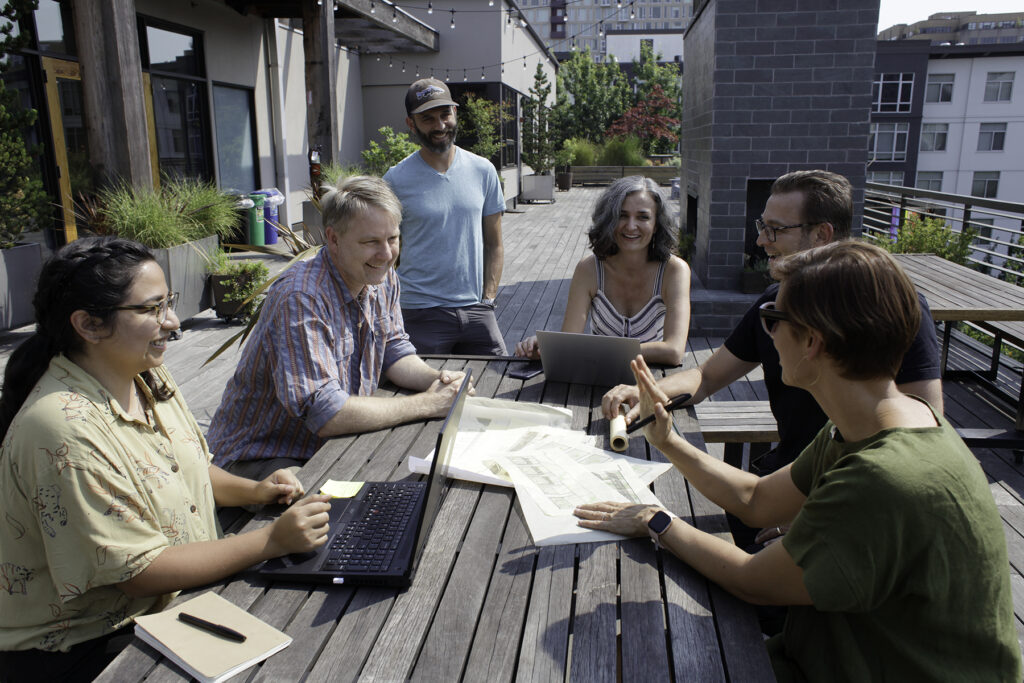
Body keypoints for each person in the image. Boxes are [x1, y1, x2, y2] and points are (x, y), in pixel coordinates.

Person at [576, 242, 1021, 681]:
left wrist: (656, 520)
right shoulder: (876, 423)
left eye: (772, 320)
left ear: (812, 342)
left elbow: (753, 580)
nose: (766, 333)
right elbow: (756, 498)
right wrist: (670, 440)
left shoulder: (884, 478)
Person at [0, 238, 331, 682]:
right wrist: (271, 542)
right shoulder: (61, 428)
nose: (173, 322)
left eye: (168, 303)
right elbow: (135, 572)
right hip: (84, 644)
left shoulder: (145, 374)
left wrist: (254, 490)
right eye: (152, 309)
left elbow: (183, 467)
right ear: (89, 325)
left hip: (170, 603)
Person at [602, 170, 942, 479]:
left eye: (774, 229)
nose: (761, 241)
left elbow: (921, 434)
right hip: (789, 479)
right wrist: (648, 392)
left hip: (854, 491)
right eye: (761, 227)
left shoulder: (893, 305)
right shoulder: (774, 301)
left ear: (822, 234)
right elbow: (707, 377)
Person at [207, 176, 468, 469]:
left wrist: (438, 380)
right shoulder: (301, 297)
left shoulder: (379, 274)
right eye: (370, 242)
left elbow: (392, 349)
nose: (386, 254)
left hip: (331, 444)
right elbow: (325, 412)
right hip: (262, 455)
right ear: (333, 239)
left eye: (392, 238)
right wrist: (428, 404)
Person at [383, 77, 507, 355]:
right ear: (411, 124)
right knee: (417, 393)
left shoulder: (483, 170)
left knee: (501, 381)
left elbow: (495, 244)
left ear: (455, 114)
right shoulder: (395, 180)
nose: (439, 125)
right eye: (428, 119)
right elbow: (382, 249)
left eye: (444, 115)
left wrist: (488, 299)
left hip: (476, 309)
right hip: (419, 313)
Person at [513, 175, 690, 366]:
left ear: (656, 225)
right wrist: (545, 348)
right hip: (596, 382)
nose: (631, 226)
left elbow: (674, 351)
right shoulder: (588, 269)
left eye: (643, 217)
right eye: (622, 215)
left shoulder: (674, 271)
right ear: (610, 219)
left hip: (652, 382)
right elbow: (568, 342)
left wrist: (594, 350)